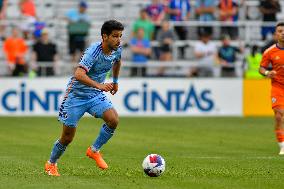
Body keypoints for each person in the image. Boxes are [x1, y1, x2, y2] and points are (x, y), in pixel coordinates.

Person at [44, 20, 124, 176]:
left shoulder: (117, 49)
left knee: (113, 119)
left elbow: (117, 62)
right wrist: (99, 85)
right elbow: (78, 74)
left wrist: (115, 82)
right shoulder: (93, 52)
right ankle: (51, 164)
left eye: (120, 36)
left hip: (94, 95)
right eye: (115, 36)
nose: (118, 39)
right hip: (76, 96)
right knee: (67, 137)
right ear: (104, 36)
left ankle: (94, 150)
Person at [259, 22, 284, 155]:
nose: (283, 33)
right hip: (278, 87)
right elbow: (261, 68)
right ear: (276, 34)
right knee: (279, 116)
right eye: (280, 31)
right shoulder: (269, 52)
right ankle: (282, 145)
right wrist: (268, 73)